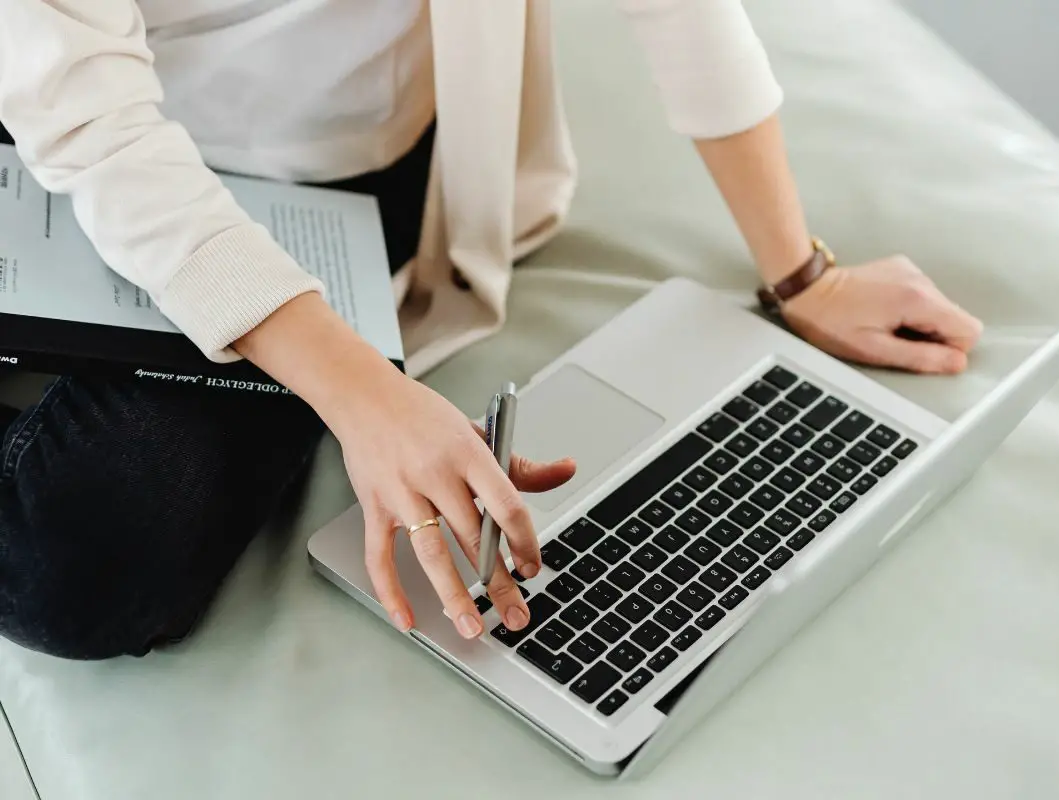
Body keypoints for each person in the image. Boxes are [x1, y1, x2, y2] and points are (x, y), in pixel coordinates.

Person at [0, 0, 982, 661]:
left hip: (315, 191)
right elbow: (95, 126)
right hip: (65, 126)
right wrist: (364, 396)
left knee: (89, 559)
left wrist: (801, 272)